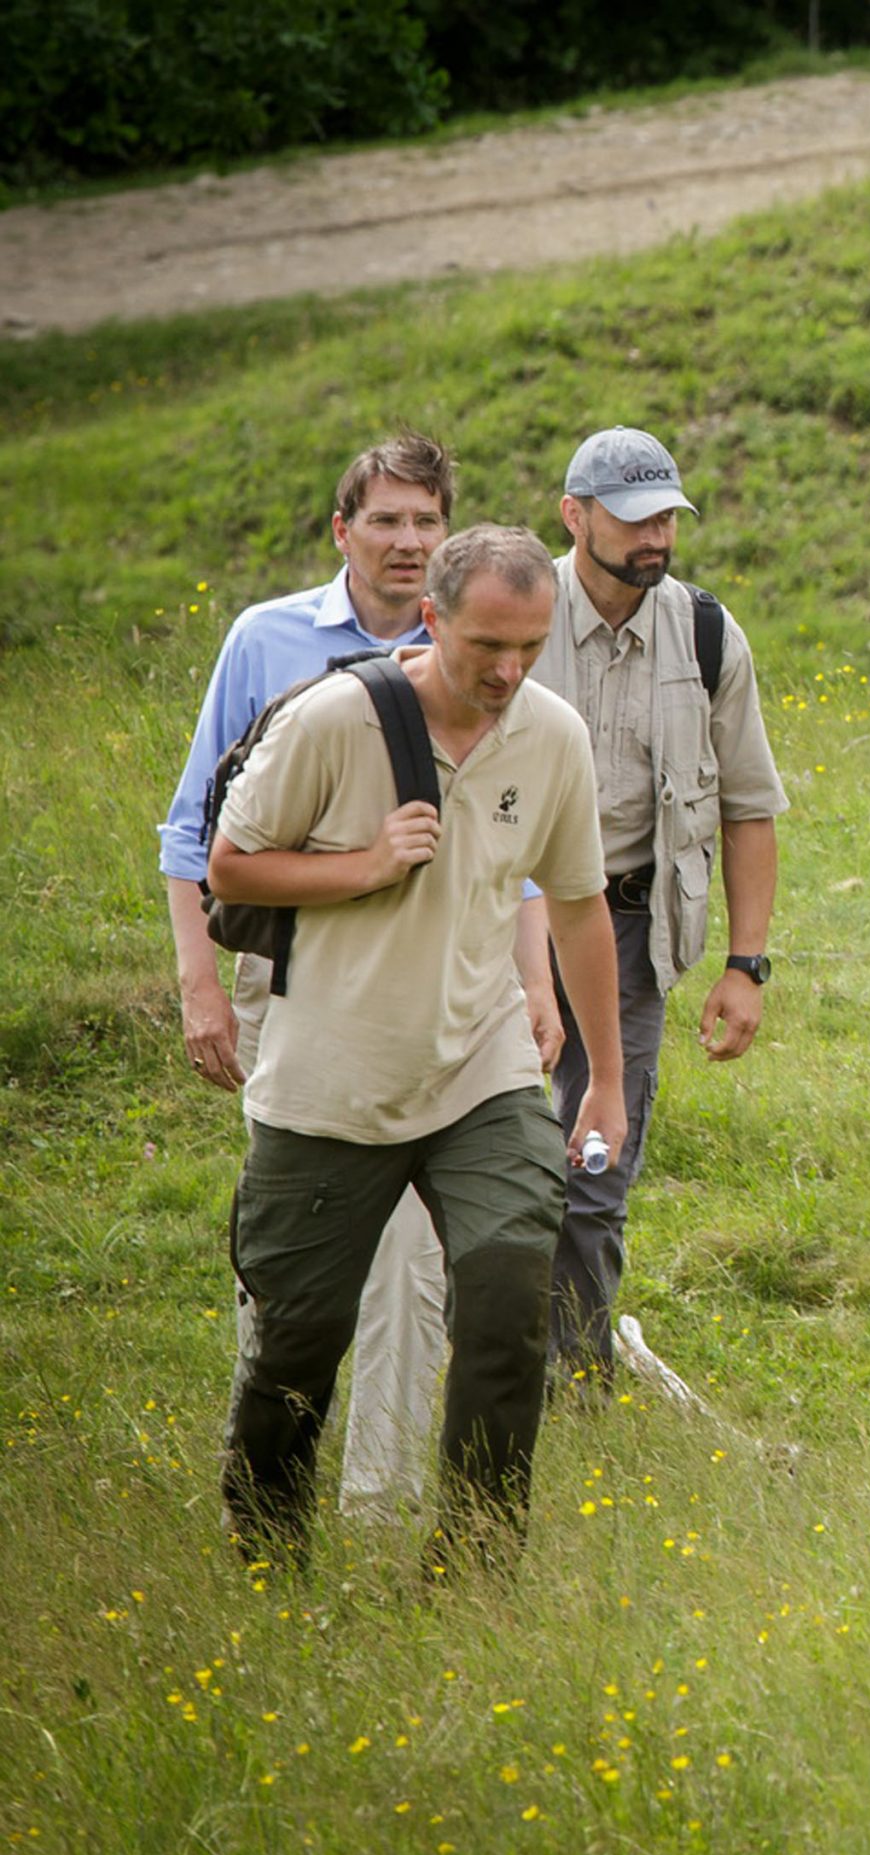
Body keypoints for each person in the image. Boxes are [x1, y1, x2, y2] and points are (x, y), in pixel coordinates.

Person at [207, 525, 625, 1569]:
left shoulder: (553, 735)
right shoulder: (334, 720)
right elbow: (230, 869)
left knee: (507, 1288)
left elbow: (578, 910)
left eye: (529, 646)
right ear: (432, 619)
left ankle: (477, 1561)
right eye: (487, 644)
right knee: (297, 1344)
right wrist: (361, 867)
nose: (508, 670)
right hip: (328, 1083)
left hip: (480, 1070)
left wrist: (606, 1080)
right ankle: (266, 1553)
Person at [158, 431, 496, 1522]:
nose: (406, 541)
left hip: (440, 992)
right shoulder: (269, 638)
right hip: (287, 985)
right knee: (298, 1248)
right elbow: (191, 834)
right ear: (341, 531)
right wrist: (201, 987)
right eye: (385, 521)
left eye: (425, 521)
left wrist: (530, 988)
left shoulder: (487, 644)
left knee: (412, 1249)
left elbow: (521, 840)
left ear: (450, 535)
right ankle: (263, 1464)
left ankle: (381, 1492)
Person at [528, 426, 788, 1385]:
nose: (655, 539)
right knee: (490, 1149)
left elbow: (748, 806)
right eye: (633, 519)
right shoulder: (512, 608)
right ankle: (485, 1355)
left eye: (667, 518)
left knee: (597, 1163)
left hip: (631, 926)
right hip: (498, 921)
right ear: (574, 515)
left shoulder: (707, 632)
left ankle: (578, 1375)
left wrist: (745, 962)